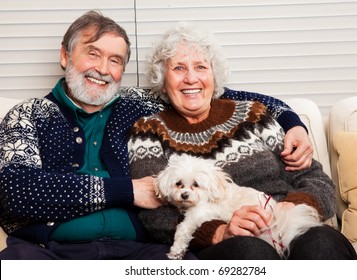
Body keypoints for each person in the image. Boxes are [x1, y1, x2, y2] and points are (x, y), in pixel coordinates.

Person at [0, 10, 311, 260]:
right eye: (92, 54)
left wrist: (292, 120)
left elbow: (212, 91)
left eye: (115, 60)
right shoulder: (28, 115)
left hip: (140, 250)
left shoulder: (137, 104)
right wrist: (126, 191)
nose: (103, 69)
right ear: (66, 56)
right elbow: (14, 191)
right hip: (48, 251)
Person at [128, 23, 357, 260]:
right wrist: (218, 232)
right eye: (178, 68)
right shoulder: (148, 130)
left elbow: (316, 180)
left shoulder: (253, 115)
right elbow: (152, 214)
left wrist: (291, 208)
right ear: (162, 78)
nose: (191, 78)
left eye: (201, 67)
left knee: (321, 243)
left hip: (286, 221)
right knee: (249, 251)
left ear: (214, 76)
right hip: (224, 240)